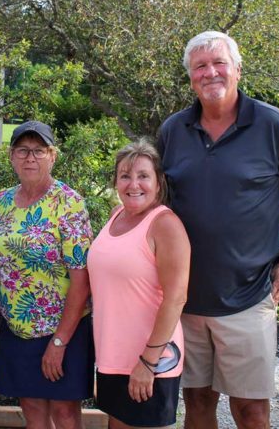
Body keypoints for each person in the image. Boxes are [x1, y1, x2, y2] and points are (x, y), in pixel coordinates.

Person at [157, 30, 279, 429]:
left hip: (249, 298)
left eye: (219, 63)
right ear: (190, 78)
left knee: (250, 411)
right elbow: (158, 201)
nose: (210, 72)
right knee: (197, 401)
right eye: (200, 66)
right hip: (185, 299)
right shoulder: (173, 130)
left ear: (237, 70)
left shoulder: (270, 124)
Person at [0, 120, 94, 429]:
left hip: (63, 328)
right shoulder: (2, 202)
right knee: (32, 408)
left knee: (64, 413)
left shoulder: (69, 203)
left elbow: (81, 279)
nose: (30, 158)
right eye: (22, 150)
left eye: (39, 151)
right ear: (11, 156)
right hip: (17, 327)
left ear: (53, 156)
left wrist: (59, 342)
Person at [88, 139, 190, 429]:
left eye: (143, 176)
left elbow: (176, 299)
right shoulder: (115, 217)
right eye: (125, 176)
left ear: (158, 183)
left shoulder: (165, 225)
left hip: (149, 358)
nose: (134, 184)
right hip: (112, 355)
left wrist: (148, 362)